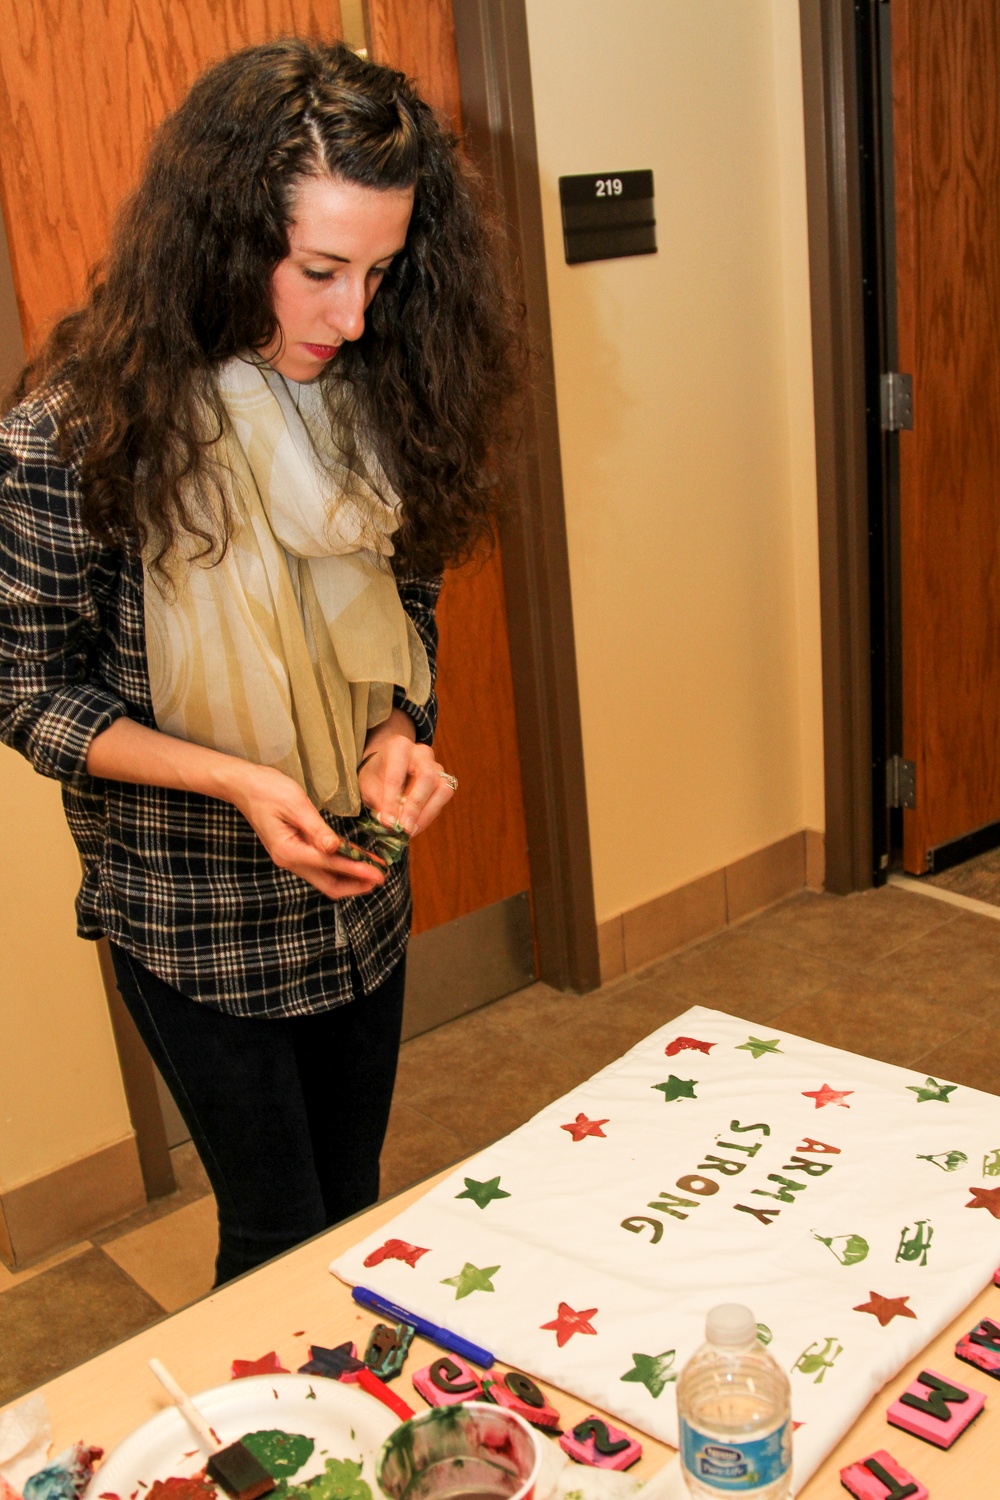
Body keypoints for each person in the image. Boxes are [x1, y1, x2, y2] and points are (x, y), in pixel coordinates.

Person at [0, 38, 519, 1283]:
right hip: (192, 913)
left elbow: (404, 592)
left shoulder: (373, 382)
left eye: (384, 273)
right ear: (229, 238)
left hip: (358, 885)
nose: (353, 316)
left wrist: (399, 732)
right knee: (278, 1234)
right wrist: (238, 780)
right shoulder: (72, 432)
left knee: (353, 1202)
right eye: (321, 269)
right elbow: (30, 695)